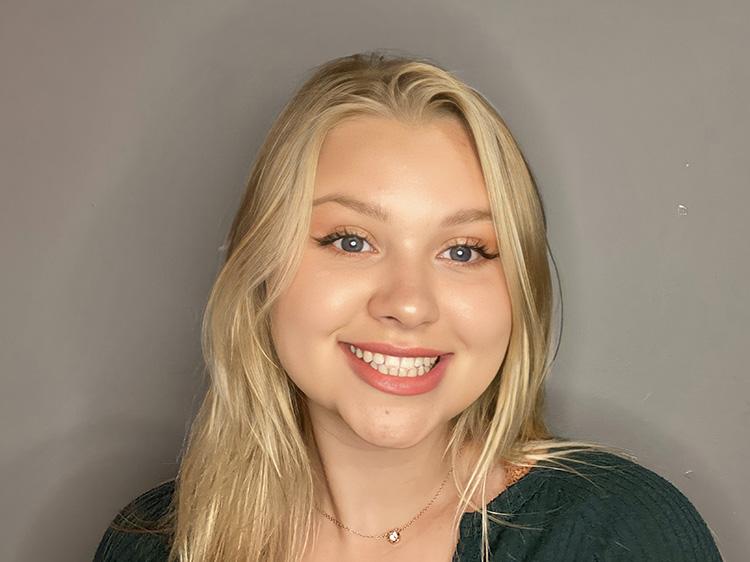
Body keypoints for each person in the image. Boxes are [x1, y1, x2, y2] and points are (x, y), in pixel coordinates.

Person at [93, 50, 723, 562]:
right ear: (260, 271)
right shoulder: (148, 544)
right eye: (351, 240)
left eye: (465, 251)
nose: (409, 305)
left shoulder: (620, 537)